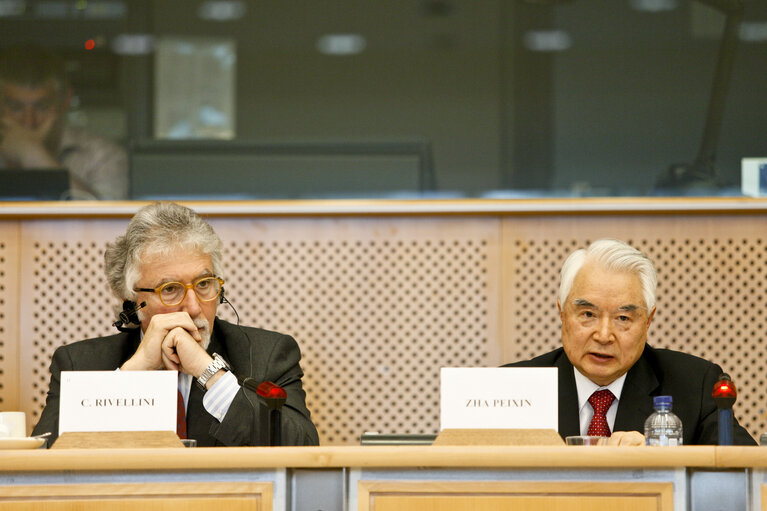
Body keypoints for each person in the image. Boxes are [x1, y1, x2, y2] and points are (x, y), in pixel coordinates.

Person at [33, 202, 319, 446]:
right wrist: (134, 371)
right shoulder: (79, 364)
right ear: (133, 300)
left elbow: (302, 447)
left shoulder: (267, 354)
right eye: (170, 289)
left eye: (204, 284)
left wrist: (208, 372)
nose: (194, 307)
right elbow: (46, 462)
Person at [506, 238, 755, 446]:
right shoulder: (510, 388)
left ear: (648, 321)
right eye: (588, 315)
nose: (604, 335)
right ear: (562, 314)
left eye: (623, 318)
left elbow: (747, 477)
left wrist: (659, 462)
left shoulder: (695, 387)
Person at [0, 44, 128, 199]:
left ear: (65, 100)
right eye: (16, 107)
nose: (29, 122)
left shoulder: (102, 155)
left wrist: (35, 156)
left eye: (42, 106)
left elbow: (104, 222)